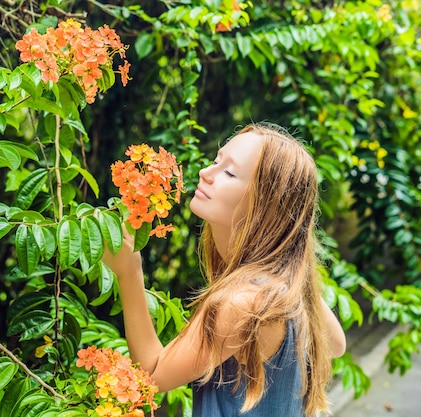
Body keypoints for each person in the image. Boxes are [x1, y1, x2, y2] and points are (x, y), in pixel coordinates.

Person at [102, 122, 347, 416]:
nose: (206, 173)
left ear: (264, 207)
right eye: (217, 161)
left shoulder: (242, 302)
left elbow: (153, 374)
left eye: (229, 172)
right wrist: (288, 253)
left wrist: (129, 271)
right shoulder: (282, 289)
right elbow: (335, 344)